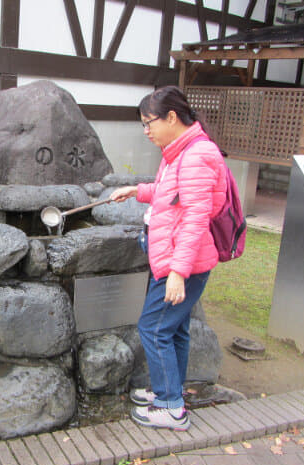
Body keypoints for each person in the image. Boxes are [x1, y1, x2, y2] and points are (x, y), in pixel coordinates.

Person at [110, 86, 227, 431]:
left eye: (149, 123)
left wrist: (178, 271)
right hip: (178, 259)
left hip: (182, 263)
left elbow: (195, 217)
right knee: (174, 329)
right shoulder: (178, 151)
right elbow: (170, 195)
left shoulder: (196, 155)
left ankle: (170, 406)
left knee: (153, 326)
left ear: (172, 118)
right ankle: (169, 391)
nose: (146, 131)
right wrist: (137, 191)